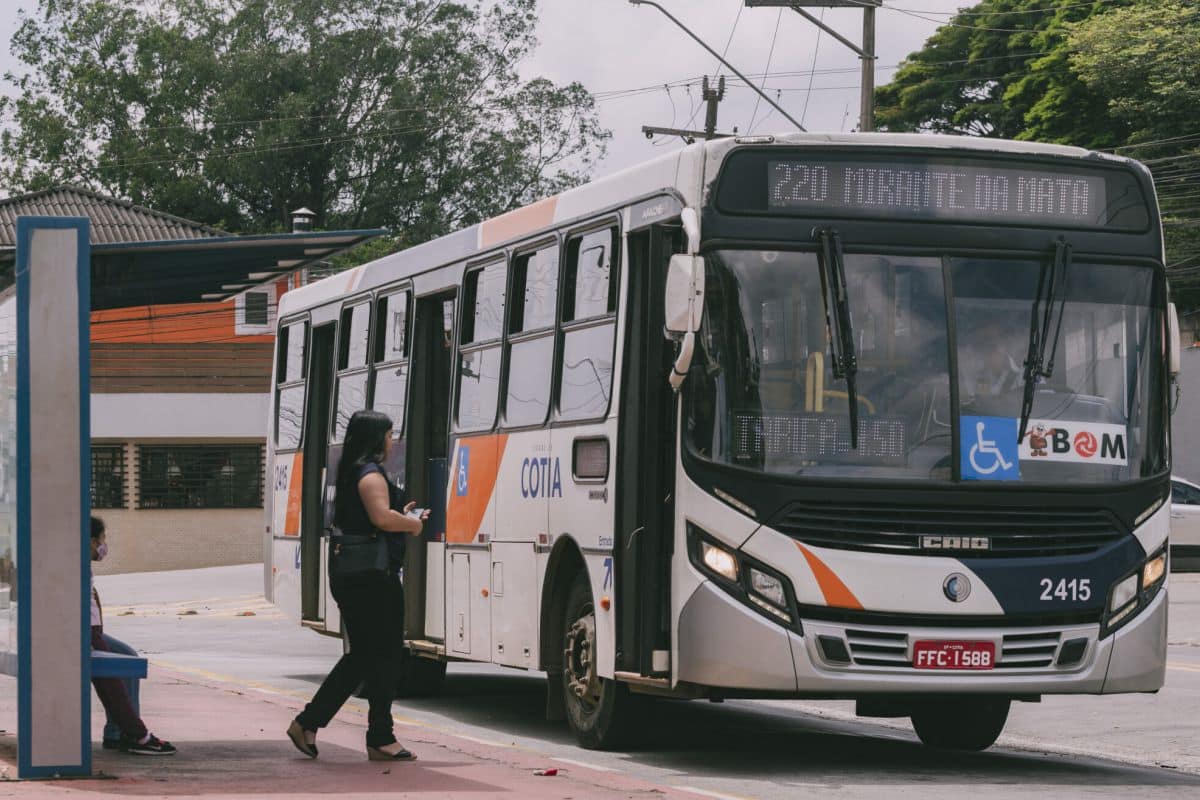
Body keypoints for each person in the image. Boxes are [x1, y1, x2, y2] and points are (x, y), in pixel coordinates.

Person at [288, 410, 428, 761]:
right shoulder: (370, 474)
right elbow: (381, 518)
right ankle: (376, 735)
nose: (392, 441)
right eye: (389, 434)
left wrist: (401, 514)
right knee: (385, 656)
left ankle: (314, 723)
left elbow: (372, 516)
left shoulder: (353, 471)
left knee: (366, 655)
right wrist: (411, 524)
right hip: (372, 578)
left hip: (354, 575)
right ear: (376, 437)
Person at [90, 517, 176, 755]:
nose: (103, 545)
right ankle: (137, 735)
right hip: (87, 633)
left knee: (127, 657)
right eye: (102, 539)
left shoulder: (81, 564)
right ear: (91, 541)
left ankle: (116, 732)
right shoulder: (73, 565)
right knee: (112, 680)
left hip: (92, 631)